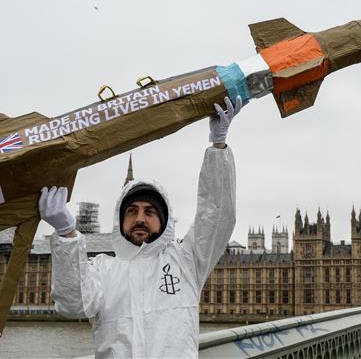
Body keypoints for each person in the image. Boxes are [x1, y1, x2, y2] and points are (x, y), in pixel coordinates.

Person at [40, 96, 242, 358]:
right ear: (120, 220)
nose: (140, 219)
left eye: (150, 212)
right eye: (132, 211)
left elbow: (217, 213)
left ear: (164, 219)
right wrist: (67, 234)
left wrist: (218, 147)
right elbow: (73, 304)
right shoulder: (103, 269)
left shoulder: (186, 261)